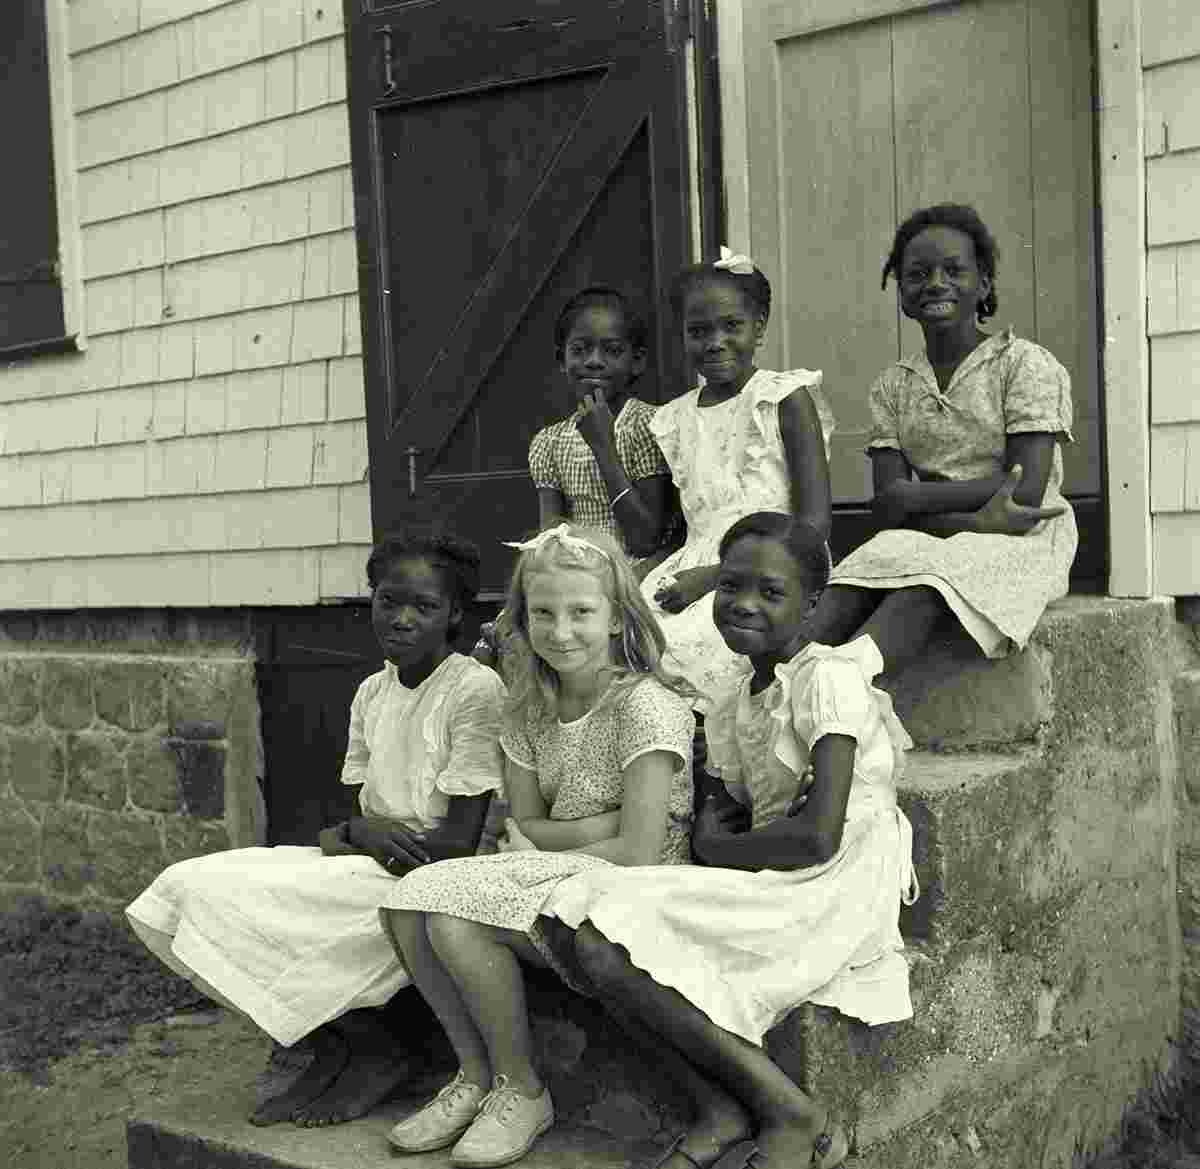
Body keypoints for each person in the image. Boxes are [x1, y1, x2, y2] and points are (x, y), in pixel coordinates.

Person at [547, 512, 918, 1169]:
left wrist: (725, 846)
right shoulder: (730, 704)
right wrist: (727, 838)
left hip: (835, 881)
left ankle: (789, 1110)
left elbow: (815, 835)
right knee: (587, 933)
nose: (743, 603)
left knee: (612, 930)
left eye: (770, 592)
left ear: (810, 606)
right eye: (730, 586)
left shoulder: (826, 679)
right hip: (771, 866)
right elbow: (718, 819)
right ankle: (716, 1105)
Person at [125, 529, 506, 1127]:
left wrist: (360, 835)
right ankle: (336, 1046)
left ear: (454, 613)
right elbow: (355, 824)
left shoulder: (473, 691)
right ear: (372, 600)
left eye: (424, 607)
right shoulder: (371, 693)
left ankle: (380, 1053)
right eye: (388, 601)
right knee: (193, 883)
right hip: (375, 859)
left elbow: (456, 843)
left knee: (265, 903)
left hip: (436, 877)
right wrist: (358, 834)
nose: (402, 619)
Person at [378, 523, 695, 1168]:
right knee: (406, 899)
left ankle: (522, 1088)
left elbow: (639, 848)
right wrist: (592, 825)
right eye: (542, 613)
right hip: (558, 869)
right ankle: (474, 1075)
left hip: (638, 886)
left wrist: (571, 837)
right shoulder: (528, 707)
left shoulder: (645, 707)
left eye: (582, 612)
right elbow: (528, 821)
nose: (561, 631)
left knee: (455, 919)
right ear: (522, 617)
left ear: (616, 617)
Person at [807, 203, 1075, 673]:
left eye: (954, 270)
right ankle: (785, 676)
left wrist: (916, 495)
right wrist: (966, 518)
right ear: (903, 294)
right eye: (918, 274)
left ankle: (842, 684)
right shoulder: (894, 385)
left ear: (984, 285)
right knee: (851, 581)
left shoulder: (1023, 365)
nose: (935, 283)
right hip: (940, 532)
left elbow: (1025, 492)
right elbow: (888, 504)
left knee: (924, 583)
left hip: (1022, 538)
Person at [641, 248, 834, 714]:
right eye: (699, 331)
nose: (716, 342)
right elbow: (685, 525)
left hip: (774, 563)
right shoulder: (674, 419)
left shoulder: (783, 399)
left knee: (692, 649)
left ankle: (711, 753)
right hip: (690, 567)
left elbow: (814, 524)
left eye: (732, 326)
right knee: (624, 635)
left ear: (760, 327)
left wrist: (715, 577)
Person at [530, 286, 675, 559]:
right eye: (580, 350)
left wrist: (602, 445)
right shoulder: (549, 442)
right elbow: (551, 540)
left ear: (637, 361)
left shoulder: (650, 426)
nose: (594, 361)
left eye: (612, 350)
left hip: (634, 571)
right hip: (577, 573)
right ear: (562, 359)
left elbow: (644, 540)